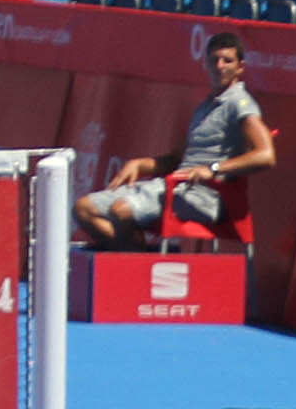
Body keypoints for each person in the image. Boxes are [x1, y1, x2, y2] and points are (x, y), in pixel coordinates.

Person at [74, 30, 274, 248]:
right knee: (83, 208)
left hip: (205, 196)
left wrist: (214, 169)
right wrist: (139, 164)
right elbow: (176, 160)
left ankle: (135, 260)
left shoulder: (240, 104)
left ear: (240, 67)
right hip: (172, 186)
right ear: (206, 64)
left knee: (121, 210)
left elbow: (266, 155)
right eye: (214, 60)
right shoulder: (205, 107)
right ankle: (138, 255)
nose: (219, 66)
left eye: (227, 61)